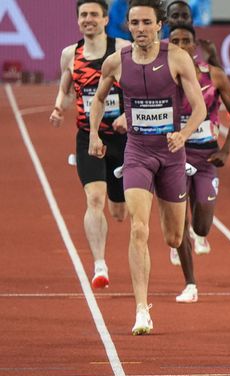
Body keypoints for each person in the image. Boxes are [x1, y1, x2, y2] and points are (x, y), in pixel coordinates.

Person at [88, 0, 206, 335]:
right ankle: (142, 309)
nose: (140, 29)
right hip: (137, 153)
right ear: (128, 26)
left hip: (171, 155)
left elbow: (198, 107)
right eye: (135, 23)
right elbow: (98, 98)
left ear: (159, 25)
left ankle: (174, 236)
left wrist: (183, 134)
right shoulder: (117, 62)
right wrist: (95, 133)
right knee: (139, 229)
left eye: (146, 23)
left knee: (173, 237)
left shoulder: (177, 58)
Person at [50, 0, 131, 290]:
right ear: (77, 20)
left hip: (122, 139)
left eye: (94, 14)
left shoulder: (122, 49)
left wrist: (126, 114)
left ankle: (117, 196)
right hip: (88, 136)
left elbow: (138, 88)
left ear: (106, 19)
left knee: (119, 211)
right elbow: (66, 90)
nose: (88, 19)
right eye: (83, 15)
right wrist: (59, 108)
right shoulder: (70, 54)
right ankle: (99, 264)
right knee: (94, 199)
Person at [167, 23, 230, 303]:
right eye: (176, 40)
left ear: (194, 46)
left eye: (187, 40)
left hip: (206, 155)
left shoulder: (215, 76)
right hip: (174, 156)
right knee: (178, 221)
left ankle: (195, 234)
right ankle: (190, 283)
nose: (182, 44)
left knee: (202, 225)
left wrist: (226, 149)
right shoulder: (162, 77)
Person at [164, 1, 221, 67]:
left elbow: (220, 75)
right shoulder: (158, 49)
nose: (180, 20)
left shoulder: (206, 48)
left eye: (185, 16)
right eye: (175, 16)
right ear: (167, 21)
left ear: (191, 20)